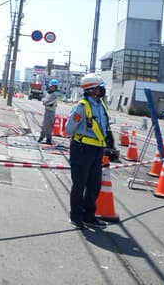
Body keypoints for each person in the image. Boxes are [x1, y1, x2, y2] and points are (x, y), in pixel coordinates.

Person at [65, 73, 113, 230]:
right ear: (91, 89)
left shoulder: (101, 105)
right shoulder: (82, 106)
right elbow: (69, 128)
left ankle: (89, 216)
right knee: (79, 184)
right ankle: (76, 217)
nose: (102, 89)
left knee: (94, 185)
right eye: (100, 87)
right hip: (82, 149)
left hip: (98, 149)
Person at [38, 78, 61, 145]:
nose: (50, 87)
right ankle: (42, 137)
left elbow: (47, 102)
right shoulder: (49, 93)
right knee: (44, 125)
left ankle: (48, 139)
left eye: (52, 86)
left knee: (48, 126)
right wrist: (44, 101)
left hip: (51, 112)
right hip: (47, 110)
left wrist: (44, 101)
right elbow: (44, 99)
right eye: (50, 86)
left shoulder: (55, 94)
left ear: (55, 87)